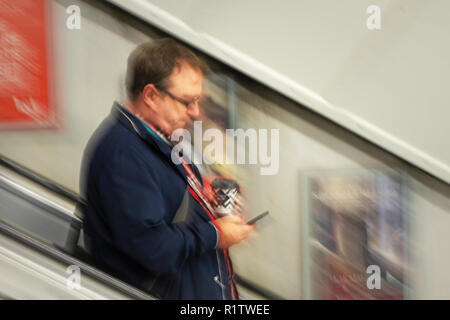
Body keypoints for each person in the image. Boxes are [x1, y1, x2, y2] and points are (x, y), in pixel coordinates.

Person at [79, 38, 254, 300]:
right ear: (151, 95)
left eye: (198, 101)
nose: (196, 112)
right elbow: (154, 248)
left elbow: (163, 202)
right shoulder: (124, 154)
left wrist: (200, 195)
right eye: (187, 101)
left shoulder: (155, 138)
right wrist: (217, 234)